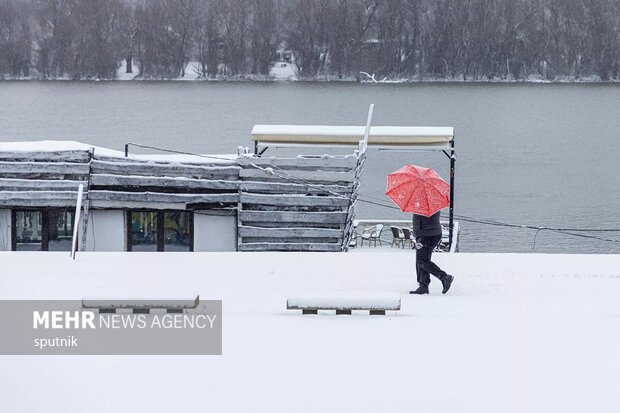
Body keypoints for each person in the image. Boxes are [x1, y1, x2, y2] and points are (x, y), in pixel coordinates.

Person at [410, 211, 454, 295]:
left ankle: (444, 277)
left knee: (421, 260)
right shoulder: (426, 203)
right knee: (421, 259)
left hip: (427, 234)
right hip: (426, 233)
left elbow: (425, 219)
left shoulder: (424, 205)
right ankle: (423, 285)